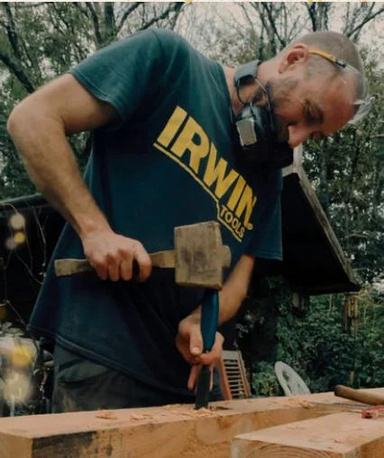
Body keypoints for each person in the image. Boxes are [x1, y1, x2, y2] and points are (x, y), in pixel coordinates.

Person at [7, 28, 369, 412]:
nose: (297, 138)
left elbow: (238, 279)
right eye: (308, 114)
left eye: (315, 134)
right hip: (106, 360)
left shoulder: (268, 176)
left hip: (190, 380)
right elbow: (32, 118)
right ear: (293, 59)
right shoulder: (169, 63)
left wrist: (201, 321)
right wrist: (94, 231)